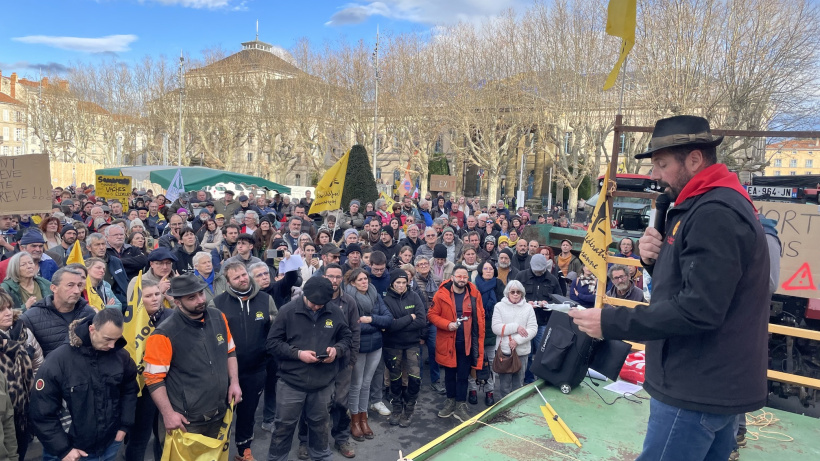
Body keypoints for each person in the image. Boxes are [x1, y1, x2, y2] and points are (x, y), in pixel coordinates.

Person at [568, 115, 771, 461]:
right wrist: (654, 262)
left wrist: (610, 322)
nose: (655, 175)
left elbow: (698, 309)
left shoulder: (714, 213)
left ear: (694, 159)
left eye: (661, 164)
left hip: (695, 386)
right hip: (712, 384)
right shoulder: (705, 205)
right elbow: (698, 285)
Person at [30, 308, 138, 461]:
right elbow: (41, 411)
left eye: (116, 339)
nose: (113, 345)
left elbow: (129, 391)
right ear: (92, 329)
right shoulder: (59, 361)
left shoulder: (121, 357)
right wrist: (63, 449)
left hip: (109, 445)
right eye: (107, 339)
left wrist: (124, 427)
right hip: (70, 452)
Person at [143, 273, 242, 438]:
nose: (200, 300)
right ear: (178, 302)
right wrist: (168, 414)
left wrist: (235, 382)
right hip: (186, 421)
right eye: (191, 297)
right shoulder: (164, 333)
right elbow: (153, 379)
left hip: (221, 411)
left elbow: (230, 351)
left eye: (201, 293)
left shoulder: (218, 317)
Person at [265, 276, 353, 461]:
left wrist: (336, 351)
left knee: (320, 424)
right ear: (305, 295)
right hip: (291, 382)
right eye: (314, 303)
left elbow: (346, 337)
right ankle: (276, 457)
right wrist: (298, 354)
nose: (317, 307)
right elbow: (272, 343)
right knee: (283, 426)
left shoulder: (335, 312)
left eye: (322, 304)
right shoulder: (287, 311)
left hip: (323, 382)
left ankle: (320, 454)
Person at [212, 262, 277, 461]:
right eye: (236, 277)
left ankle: (244, 451)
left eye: (243, 275)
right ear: (228, 282)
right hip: (225, 371)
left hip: (256, 369)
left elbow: (275, 329)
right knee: (220, 414)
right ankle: (215, 452)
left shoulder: (266, 299)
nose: (242, 279)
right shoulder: (217, 303)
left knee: (248, 413)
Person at [296, 264, 361, 458]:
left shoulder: (349, 301)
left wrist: (351, 360)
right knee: (311, 404)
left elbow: (354, 333)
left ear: (342, 279)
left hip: (341, 363)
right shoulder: (308, 301)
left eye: (338, 277)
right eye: (330, 276)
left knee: (341, 403)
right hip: (315, 364)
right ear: (324, 277)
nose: (334, 280)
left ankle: (341, 439)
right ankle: (305, 441)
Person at [429, 265, 485, 422]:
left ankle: (460, 405)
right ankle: (450, 401)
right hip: (448, 343)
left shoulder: (474, 293)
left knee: (463, 375)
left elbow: (480, 315)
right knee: (449, 375)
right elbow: (432, 315)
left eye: (464, 277)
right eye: (459, 276)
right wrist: (447, 325)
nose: (462, 279)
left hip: (467, 342)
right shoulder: (441, 294)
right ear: (452, 277)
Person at [123, 279, 172, 461]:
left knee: (165, 436)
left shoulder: (172, 316)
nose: (154, 299)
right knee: (139, 439)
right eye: (148, 296)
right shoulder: (127, 320)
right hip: (140, 389)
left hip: (167, 384)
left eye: (157, 294)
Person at [344, 268, 392, 442]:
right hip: (358, 347)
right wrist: (377, 323)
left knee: (366, 383)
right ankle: (354, 420)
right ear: (352, 283)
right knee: (356, 384)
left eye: (366, 279)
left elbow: (387, 318)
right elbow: (353, 326)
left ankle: (364, 419)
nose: (365, 282)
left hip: (376, 345)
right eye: (360, 280)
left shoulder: (375, 293)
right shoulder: (348, 298)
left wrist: (370, 319)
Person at [0, 289, 44, 460]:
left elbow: (38, 363)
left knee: (21, 450)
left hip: (24, 410)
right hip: (4, 413)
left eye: (9, 308)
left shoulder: (22, 331)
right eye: (1, 310)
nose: (7, 313)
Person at [382, 269, 426, 427]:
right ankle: (396, 408)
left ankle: (409, 410)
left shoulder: (414, 296)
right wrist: (409, 318)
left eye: (403, 282)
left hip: (412, 344)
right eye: (398, 282)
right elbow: (389, 326)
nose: (401, 285)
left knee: (415, 378)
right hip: (393, 345)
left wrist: (399, 324)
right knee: (395, 379)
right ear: (392, 283)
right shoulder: (386, 300)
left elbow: (422, 320)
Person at [21, 265, 96, 357]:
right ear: (54, 288)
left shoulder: (89, 313)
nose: (76, 291)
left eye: (79, 285)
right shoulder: (31, 317)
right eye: (70, 285)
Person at [515, 254, 563, 384]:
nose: (538, 273)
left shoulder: (552, 280)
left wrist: (547, 303)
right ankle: (527, 380)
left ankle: (543, 380)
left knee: (544, 352)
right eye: (536, 270)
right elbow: (512, 296)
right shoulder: (521, 276)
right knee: (527, 353)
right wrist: (526, 302)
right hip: (524, 322)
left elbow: (559, 300)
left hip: (543, 322)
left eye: (540, 271)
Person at [491, 280, 537, 399]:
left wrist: (517, 340)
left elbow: (533, 329)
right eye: (513, 292)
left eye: (518, 292)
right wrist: (516, 327)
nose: (515, 294)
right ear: (508, 293)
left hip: (522, 351)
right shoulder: (499, 307)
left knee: (518, 385)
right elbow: (496, 328)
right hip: (504, 352)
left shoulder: (528, 308)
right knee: (504, 386)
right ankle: (503, 409)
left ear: (522, 293)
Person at [468, 261, 505, 406]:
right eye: (485, 268)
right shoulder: (473, 285)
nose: (488, 271)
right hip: (475, 329)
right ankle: (473, 390)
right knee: (473, 362)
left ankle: (489, 391)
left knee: (490, 362)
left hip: (492, 329)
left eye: (491, 268)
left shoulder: (499, 285)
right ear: (481, 271)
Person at [85, 233, 128, 306]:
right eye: (97, 245)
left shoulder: (115, 261)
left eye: (103, 244)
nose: (101, 247)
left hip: (116, 300)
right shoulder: (83, 262)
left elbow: (123, 284)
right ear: (89, 247)